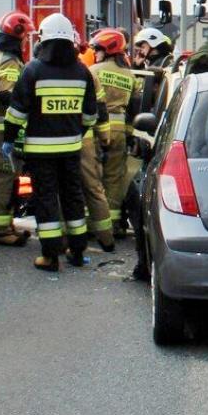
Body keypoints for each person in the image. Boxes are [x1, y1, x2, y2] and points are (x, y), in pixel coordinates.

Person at [4, 12, 98, 271]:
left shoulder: (32, 70)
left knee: (46, 200)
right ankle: (77, 253)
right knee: (73, 198)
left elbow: (17, 112)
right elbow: (91, 115)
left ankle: (50, 256)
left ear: (43, 41)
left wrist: (9, 139)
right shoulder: (82, 72)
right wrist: (77, 132)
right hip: (71, 149)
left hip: (40, 150)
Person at [0, 11, 34, 247]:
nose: (27, 41)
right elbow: (8, 93)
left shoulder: (2, 56)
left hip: (2, 128)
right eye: (25, 37)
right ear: (17, 36)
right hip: (4, 129)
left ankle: (5, 224)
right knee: (4, 177)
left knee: (9, 176)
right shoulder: (8, 60)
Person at [90, 28, 142, 238]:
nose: (95, 53)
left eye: (98, 49)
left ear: (107, 50)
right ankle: (111, 225)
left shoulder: (93, 71)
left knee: (92, 178)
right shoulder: (130, 76)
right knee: (113, 178)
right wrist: (130, 134)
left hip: (95, 130)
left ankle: (92, 223)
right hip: (119, 132)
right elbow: (134, 108)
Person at [74, 29, 116, 252]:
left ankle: (63, 240)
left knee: (64, 190)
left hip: (55, 142)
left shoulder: (39, 70)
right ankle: (106, 238)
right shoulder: (86, 73)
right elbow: (100, 110)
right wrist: (104, 139)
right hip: (86, 142)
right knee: (93, 189)